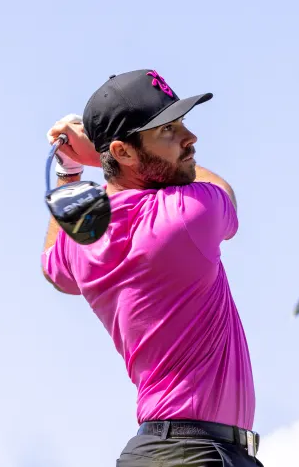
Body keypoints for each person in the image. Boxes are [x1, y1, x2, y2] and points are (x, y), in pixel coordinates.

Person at [42, 69, 262, 467]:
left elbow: (53, 267)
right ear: (124, 152)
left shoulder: (86, 240)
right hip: (193, 454)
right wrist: (94, 156)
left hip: (170, 451)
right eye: (168, 131)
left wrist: (70, 169)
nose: (190, 139)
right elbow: (224, 192)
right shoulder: (187, 213)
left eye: (183, 123)